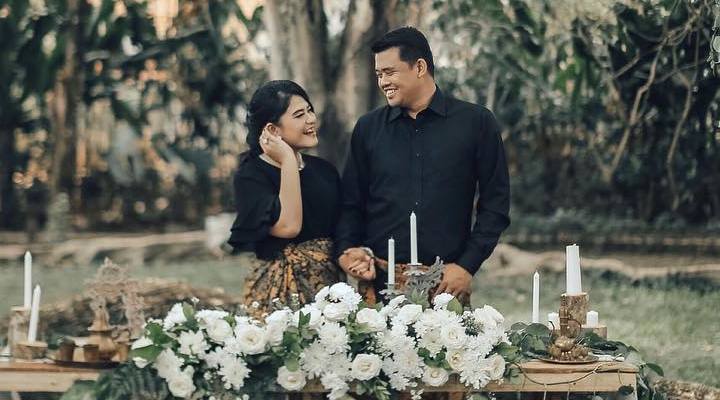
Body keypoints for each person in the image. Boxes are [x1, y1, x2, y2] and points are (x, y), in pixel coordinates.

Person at [336, 27, 510, 304]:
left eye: (389, 72)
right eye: (379, 74)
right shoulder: (368, 128)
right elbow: (350, 203)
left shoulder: (476, 123)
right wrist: (347, 249)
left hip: (446, 286)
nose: (383, 82)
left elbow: (496, 205)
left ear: (419, 67)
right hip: (379, 285)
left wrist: (467, 265)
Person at [229, 80, 343, 315]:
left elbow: (343, 227)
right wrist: (288, 160)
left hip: (329, 291)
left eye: (310, 110)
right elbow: (288, 227)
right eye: (299, 115)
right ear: (273, 130)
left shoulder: (324, 171)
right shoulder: (250, 175)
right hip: (277, 297)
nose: (311, 119)